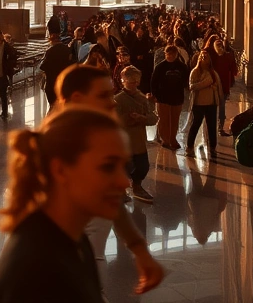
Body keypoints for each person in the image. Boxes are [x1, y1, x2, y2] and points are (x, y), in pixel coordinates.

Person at [0, 108, 131, 302]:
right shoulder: (40, 269)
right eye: (108, 167)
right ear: (60, 170)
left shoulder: (70, 237)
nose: (124, 182)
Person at [49, 64, 166, 293]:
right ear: (78, 97)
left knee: (95, 275)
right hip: (65, 242)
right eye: (103, 95)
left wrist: (139, 249)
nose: (113, 101)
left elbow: (112, 197)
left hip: (93, 238)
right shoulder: (58, 140)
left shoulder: (104, 134)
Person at [115, 66, 157, 203]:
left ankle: (137, 186)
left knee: (142, 166)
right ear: (123, 81)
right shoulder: (118, 100)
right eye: (131, 81)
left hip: (138, 141)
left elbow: (154, 118)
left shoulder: (141, 98)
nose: (135, 84)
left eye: (137, 81)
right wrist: (128, 119)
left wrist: (142, 118)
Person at [151, 45, 189, 150]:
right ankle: (165, 139)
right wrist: (155, 95)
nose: (170, 56)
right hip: (162, 97)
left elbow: (186, 81)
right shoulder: (160, 67)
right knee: (164, 119)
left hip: (177, 97)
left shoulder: (182, 67)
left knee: (175, 120)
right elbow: (154, 82)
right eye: (168, 54)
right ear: (165, 54)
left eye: (173, 54)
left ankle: (173, 139)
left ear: (176, 54)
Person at [186, 51, 223, 160]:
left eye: (206, 57)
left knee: (212, 126)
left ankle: (212, 147)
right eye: (202, 57)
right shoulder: (195, 72)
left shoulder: (213, 73)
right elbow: (192, 86)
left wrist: (217, 93)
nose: (204, 59)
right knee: (195, 125)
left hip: (211, 103)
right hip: (199, 103)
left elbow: (218, 86)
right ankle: (189, 147)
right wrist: (206, 83)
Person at [207, 37, 238, 135]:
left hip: (213, 85)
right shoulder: (228, 57)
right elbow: (235, 71)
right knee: (221, 107)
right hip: (224, 86)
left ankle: (211, 127)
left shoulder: (212, 58)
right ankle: (220, 128)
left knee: (213, 107)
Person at [39, 33, 73, 107]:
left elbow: (43, 66)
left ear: (51, 41)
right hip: (64, 80)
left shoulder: (50, 51)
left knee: (53, 105)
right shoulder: (67, 50)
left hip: (51, 81)